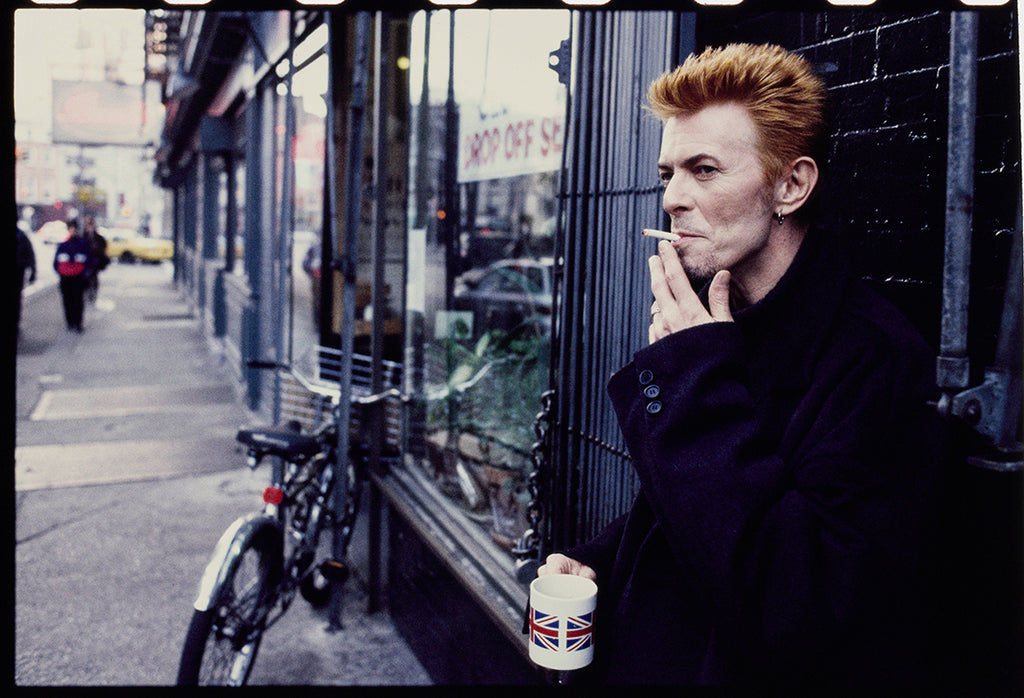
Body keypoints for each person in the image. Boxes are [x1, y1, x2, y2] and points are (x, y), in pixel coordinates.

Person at [537, 44, 947, 689]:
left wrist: (691, 381)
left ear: (791, 186)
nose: (673, 198)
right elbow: (694, 514)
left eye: (704, 170)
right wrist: (601, 562)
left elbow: (798, 603)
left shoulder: (873, 363)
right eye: (668, 174)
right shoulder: (722, 321)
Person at [53, 219, 94, 332]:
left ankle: (78, 322)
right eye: (70, 229)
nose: (72, 231)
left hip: (78, 278)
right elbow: (56, 262)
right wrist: (61, 272)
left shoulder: (83, 244)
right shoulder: (63, 245)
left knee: (78, 300)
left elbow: (89, 260)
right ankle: (70, 322)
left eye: (74, 229)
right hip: (66, 278)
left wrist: (85, 273)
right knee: (67, 300)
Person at [16, 222, 37, 338]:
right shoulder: (21, 235)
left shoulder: (21, 235)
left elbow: (30, 254)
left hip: (18, 272)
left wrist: (33, 271)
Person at [82, 216, 108, 302]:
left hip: (95, 260)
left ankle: (93, 292)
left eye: (89, 224)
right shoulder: (83, 236)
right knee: (86, 277)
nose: (88, 226)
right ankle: (87, 291)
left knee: (94, 277)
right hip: (85, 260)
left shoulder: (97, 237)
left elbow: (103, 246)